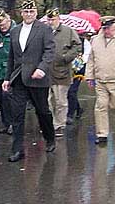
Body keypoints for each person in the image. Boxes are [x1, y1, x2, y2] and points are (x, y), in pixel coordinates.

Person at [2, 0, 56, 162]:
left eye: (32, 11)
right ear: (21, 13)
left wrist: (42, 68)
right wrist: (7, 78)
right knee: (17, 114)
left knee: (42, 111)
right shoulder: (15, 31)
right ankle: (18, 149)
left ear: (36, 13)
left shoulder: (44, 29)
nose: (29, 14)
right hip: (19, 78)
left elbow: (50, 51)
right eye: (26, 12)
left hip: (37, 78)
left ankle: (50, 137)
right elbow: (11, 57)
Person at [85, 16, 115, 145]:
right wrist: (89, 76)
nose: (106, 31)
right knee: (101, 106)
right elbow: (91, 59)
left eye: (109, 28)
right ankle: (102, 134)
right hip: (101, 80)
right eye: (104, 28)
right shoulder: (95, 40)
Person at [46, 8, 81, 137]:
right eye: (49, 19)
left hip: (62, 71)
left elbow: (77, 46)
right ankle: (49, 124)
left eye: (53, 19)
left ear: (58, 19)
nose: (51, 22)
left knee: (61, 101)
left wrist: (66, 57)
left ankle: (59, 125)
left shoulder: (68, 31)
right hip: (45, 72)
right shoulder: (44, 31)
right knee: (45, 101)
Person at [66, 32, 93, 124]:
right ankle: (78, 108)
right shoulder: (65, 39)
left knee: (72, 91)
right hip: (66, 69)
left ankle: (70, 114)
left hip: (78, 70)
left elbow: (87, 55)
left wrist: (78, 62)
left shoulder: (84, 42)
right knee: (67, 92)